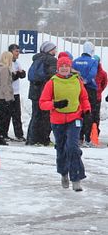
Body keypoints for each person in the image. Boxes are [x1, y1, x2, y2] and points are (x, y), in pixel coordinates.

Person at [39, 54, 91, 192]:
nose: (63, 68)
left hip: (75, 118)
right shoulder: (52, 82)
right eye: (61, 66)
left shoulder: (77, 81)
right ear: (58, 68)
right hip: (57, 121)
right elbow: (42, 103)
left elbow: (84, 97)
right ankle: (64, 173)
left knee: (73, 147)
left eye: (66, 66)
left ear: (70, 68)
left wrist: (87, 110)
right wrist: (55, 104)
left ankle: (76, 178)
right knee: (61, 149)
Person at [26, 42, 57, 146]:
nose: (55, 51)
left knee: (35, 116)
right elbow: (52, 76)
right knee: (45, 116)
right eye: (53, 49)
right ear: (49, 50)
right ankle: (44, 139)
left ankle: (31, 138)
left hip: (34, 91)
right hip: (44, 91)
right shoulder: (51, 60)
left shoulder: (36, 58)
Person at [71, 42, 99, 147]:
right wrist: (86, 80)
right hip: (90, 89)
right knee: (88, 113)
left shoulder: (76, 61)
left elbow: (71, 72)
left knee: (78, 112)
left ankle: (78, 137)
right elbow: (93, 73)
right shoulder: (93, 61)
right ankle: (87, 138)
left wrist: (79, 80)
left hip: (77, 88)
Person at [0, 51, 15, 146]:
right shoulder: (5, 69)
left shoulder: (0, 68)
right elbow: (5, 84)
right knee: (3, 118)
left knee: (0, 118)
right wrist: (8, 98)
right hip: (3, 97)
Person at [8, 44, 26, 142]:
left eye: (18, 51)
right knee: (6, 115)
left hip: (16, 92)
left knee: (17, 115)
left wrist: (19, 73)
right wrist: (18, 74)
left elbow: (22, 74)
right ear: (11, 52)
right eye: (16, 51)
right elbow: (10, 77)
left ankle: (19, 134)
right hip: (8, 93)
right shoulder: (7, 62)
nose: (18, 53)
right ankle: (3, 133)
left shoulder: (17, 63)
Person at [95, 55, 106, 138]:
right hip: (91, 96)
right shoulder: (91, 70)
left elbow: (104, 84)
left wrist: (99, 90)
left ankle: (94, 134)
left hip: (97, 97)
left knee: (95, 117)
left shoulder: (102, 73)